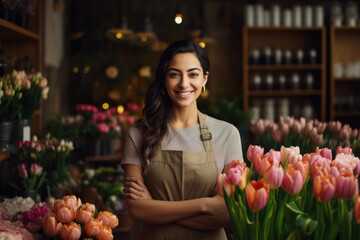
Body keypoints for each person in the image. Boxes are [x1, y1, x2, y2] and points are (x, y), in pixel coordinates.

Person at [121, 39, 243, 239]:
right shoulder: (140, 132)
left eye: (193, 74)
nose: (184, 84)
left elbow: (229, 215)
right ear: (164, 79)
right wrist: (205, 205)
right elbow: (136, 210)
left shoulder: (227, 134)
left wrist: (154, 208)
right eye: (174, 74)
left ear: (205, 78)